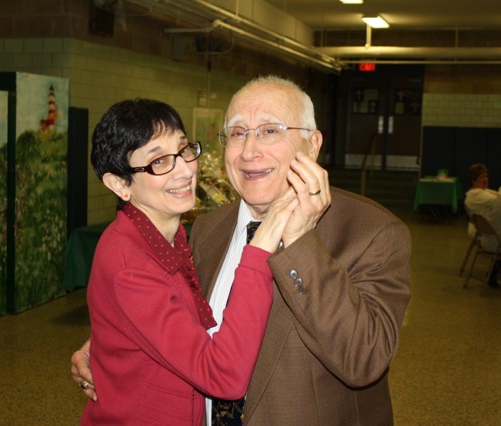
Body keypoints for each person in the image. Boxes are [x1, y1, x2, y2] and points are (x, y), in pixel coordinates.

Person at [72, 76, 412, 425]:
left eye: (269, 131)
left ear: (312, 145)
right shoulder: (207, 229)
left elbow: (365, 360)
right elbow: (178, 315)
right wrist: (111, 343)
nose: (249, 152)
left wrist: (299, 241)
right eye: (237, 133)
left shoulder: (371, 232)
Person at [77, 98, 312, 425]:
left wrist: (103, 344)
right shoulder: (130, 262)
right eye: (159, 161)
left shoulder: (172, 236)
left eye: (183, 149)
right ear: (119, 184)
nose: (186, 170)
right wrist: (260, 247)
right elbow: (223, 376)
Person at [464, 163, 498, 238]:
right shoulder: (476, 194)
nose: (485, 180)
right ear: (473, 181)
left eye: (486, 176)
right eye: (481, 177)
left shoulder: (482, 191)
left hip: (483, 230)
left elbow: (499, 195)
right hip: (485, 233)